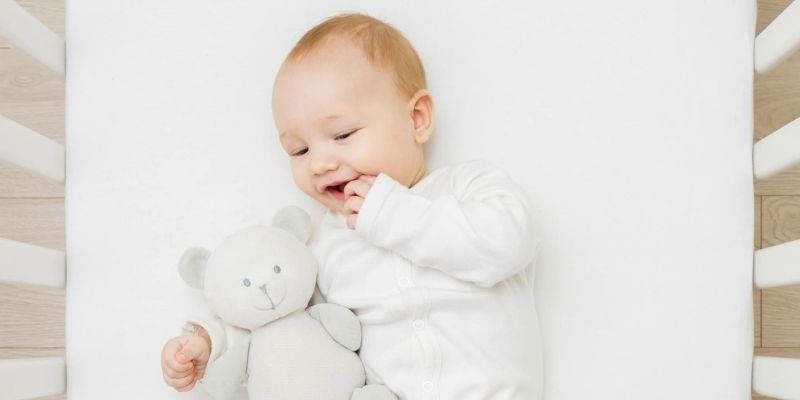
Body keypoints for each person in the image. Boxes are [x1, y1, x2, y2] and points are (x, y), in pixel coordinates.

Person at [162, 12, 543, 399]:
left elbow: (509, 245)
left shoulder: (467, 188)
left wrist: (393, 214)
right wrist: (207, 342)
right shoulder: (324, 244)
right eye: (300, 149)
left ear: (417, 118)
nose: (319, 163)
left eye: (342, 134)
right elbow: (274, 314)